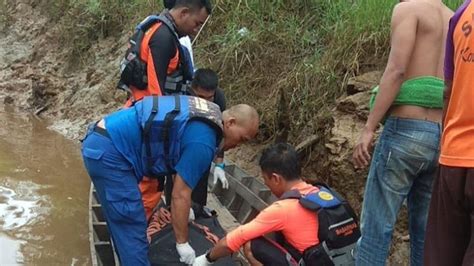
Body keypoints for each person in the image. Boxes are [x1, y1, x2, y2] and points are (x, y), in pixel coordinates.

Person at [81, 95, 259, 265]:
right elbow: (180, 194)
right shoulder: (204, 142)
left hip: (104, 140)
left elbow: (176, 163)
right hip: (112, 152)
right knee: (131, 223)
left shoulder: (211, 114)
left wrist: (185, 211)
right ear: (231, 123)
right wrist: (182, 243)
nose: (238, 145)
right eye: (242, 139)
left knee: (122, 223)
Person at [352, 1, 453, 265]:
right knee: (425, 234)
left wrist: (368, 128)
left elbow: (396, 71)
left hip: (405, 132)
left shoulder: (409, 10)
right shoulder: (455, 19)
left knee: (376, 227)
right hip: (440, 137)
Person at [193, 143, 321, 265]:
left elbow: (231, 242)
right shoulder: (321, 193)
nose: (267, 185)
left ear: (276, 178)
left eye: (266, 180)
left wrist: (207, 259)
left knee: (251, 243)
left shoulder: (283, 209)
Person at [139, 68, 228, 220]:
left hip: (200, 140)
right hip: (175, 140)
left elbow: (219, 133)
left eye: (209, 98)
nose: (205, 103)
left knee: (200, 171)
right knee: (175, 176)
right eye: (200, 97)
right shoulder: (180, 96)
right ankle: (173, 210)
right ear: (192, 89)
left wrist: (219, 164)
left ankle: (197, 209)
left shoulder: (219, 100)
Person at [424, 1, 474, 265]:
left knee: (443, 253)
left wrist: (447, 140)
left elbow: (448, 90)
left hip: (453, 157)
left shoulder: (461, 14)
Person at [123, 0, 211, 107]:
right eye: (197, 23)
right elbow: (155, 91)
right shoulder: (163, 38)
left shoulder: (160, 27)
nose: (197, 29)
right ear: (184, 13)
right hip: (146, 108)